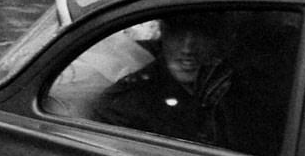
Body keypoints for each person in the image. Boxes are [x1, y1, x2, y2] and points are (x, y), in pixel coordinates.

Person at [94, 14, 232, 145]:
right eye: (177, 33)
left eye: (200, 34)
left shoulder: (238, 85)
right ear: (163, 33)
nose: (187, 48)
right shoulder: (127, 104)